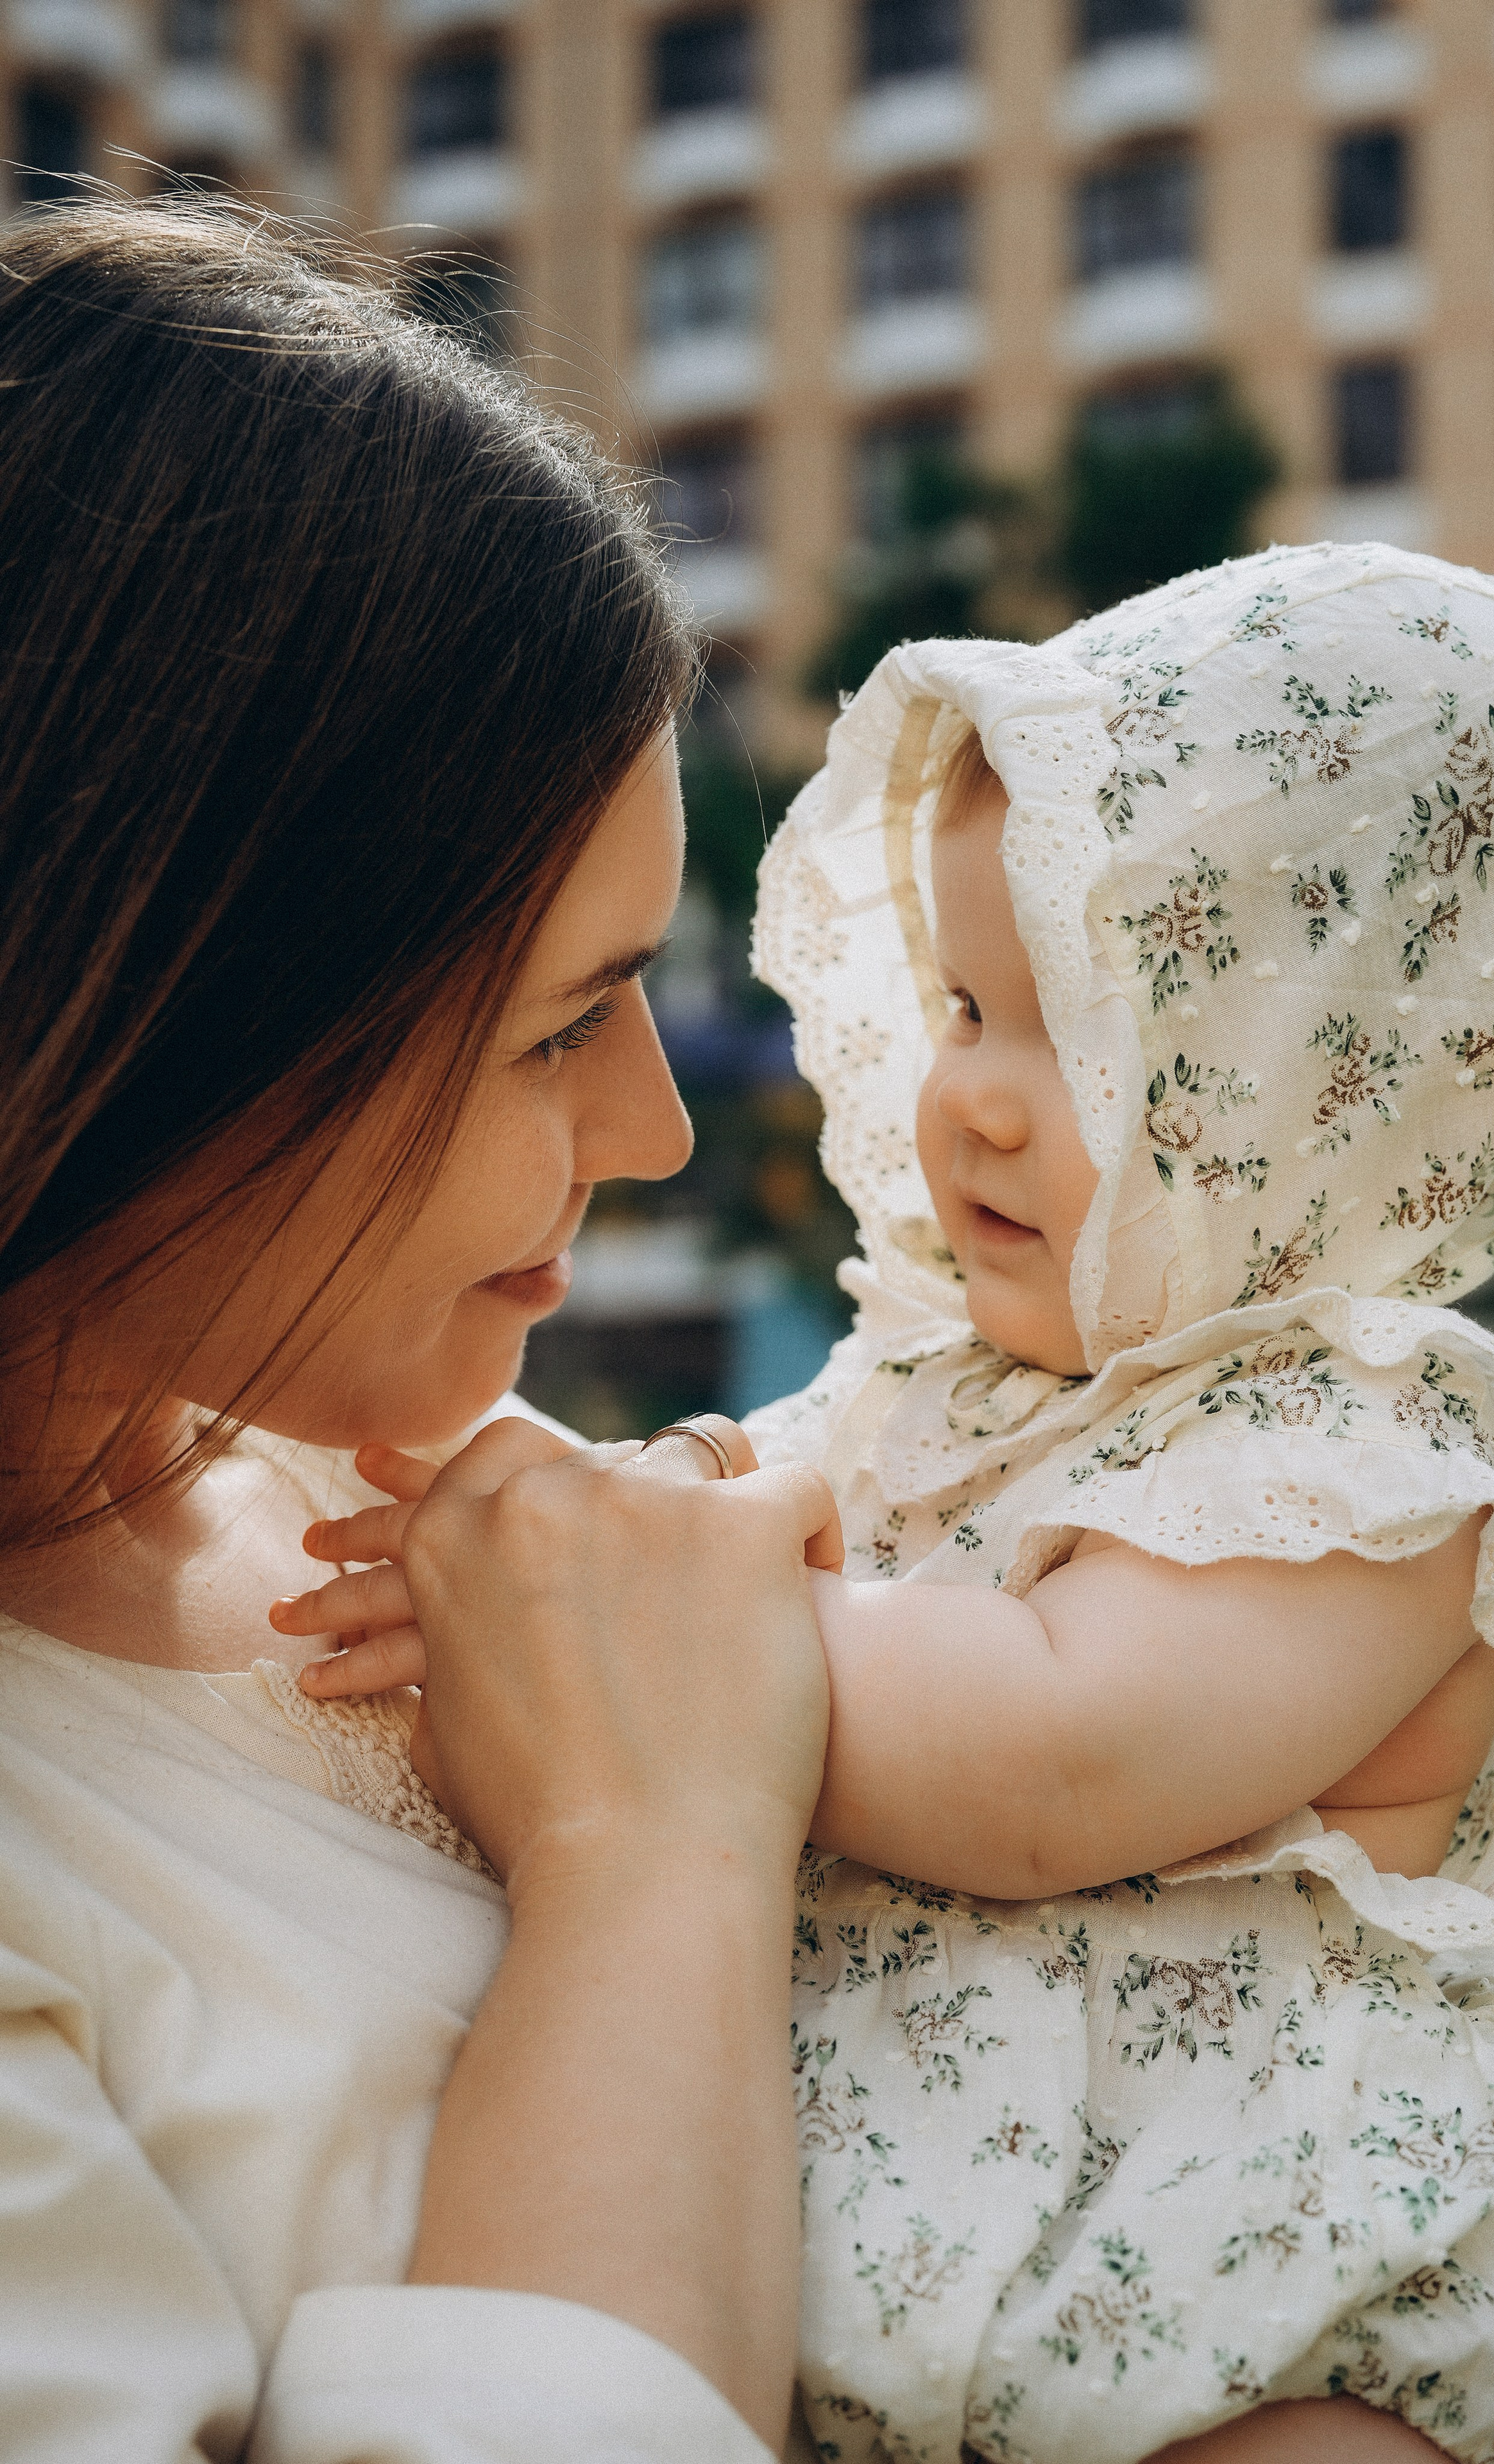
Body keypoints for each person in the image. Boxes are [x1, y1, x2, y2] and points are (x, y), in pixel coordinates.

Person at [304, 545, 1494, 2461]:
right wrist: (586, 1516)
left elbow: (1048, 1756)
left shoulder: (1370, 1466)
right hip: (895, 2285)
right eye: (958, 1007)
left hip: (1259, 2337)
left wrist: (628, 1620)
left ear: (1347, 1092)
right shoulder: (942, 1372)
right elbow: (750, 1488)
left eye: (1081, 1028)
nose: (978, 1103)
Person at [0, 198, 838, 2462]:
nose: (660, 1130)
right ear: (168, 1012)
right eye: (567, 1024)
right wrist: (651, 1856)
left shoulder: (421, 1515)